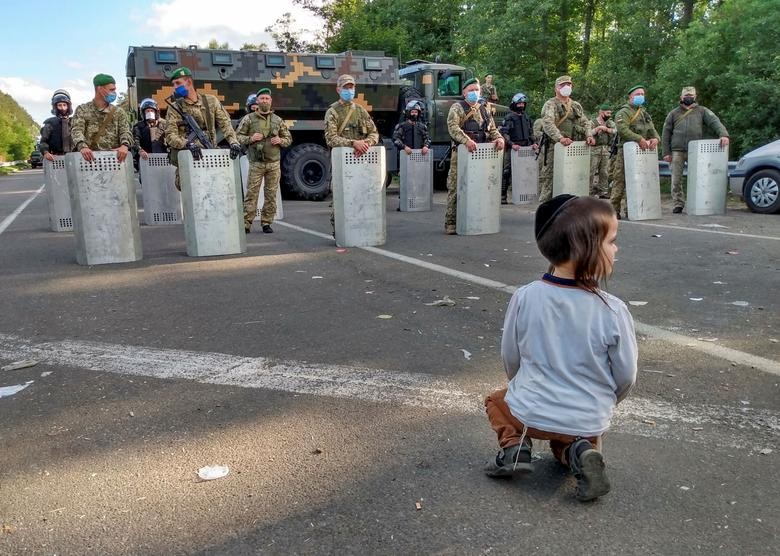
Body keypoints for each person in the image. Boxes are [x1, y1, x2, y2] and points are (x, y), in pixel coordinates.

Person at [483, 194, 637, 502]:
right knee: (577, 436)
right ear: (586, 247)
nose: (616, 248)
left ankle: (514, 445)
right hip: (587, 417)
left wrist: (524, 391)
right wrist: (604, 402)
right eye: (611, 241)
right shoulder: (613, 310)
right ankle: (579, 451)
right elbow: (626, 374)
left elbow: (510, 358)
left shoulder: (525, 297)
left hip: (531, 412)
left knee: (496, 401)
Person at [164, 66, 241, 190]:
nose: (175, 87)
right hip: (190, 160)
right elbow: (170, 135)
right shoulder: (175, 107)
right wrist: (187, 144)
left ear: (189, 82)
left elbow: (226, 124)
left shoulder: (210, 101)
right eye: (173, 84)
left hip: (211, 157)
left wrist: (234, 142)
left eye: (178, 83)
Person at [444, 77, 504, 235]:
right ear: (464, 92)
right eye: (471, 90)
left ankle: (478, 218)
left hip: (481, 156)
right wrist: (466, 140)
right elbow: (452, 127)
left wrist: (499, 138)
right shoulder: (458, 108)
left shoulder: (484, 108)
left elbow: (492, 129)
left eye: (476, 90)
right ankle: (451, 222)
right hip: (462, 154)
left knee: (480, 186)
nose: (474, 93)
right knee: (456, 186)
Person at [324, 74, 380, 235]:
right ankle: (340, 230)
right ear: (338, 89)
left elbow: (374, 133)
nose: (349, 90)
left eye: (351, 87)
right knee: (341, 197)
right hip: (342, 163)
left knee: (361, 195)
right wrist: (353, 143)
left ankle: (360, 229)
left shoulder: (360, 110)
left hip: (361, 162)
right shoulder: (332, 112)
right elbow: (331, 138)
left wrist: (366, 144)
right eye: (346, 87)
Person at [662, 86, 730, 214]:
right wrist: (666, 152)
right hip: (677, 150)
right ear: (681, 97)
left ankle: (696, 201)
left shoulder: (702, 111)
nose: (689, 98)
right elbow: (666, 133)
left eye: (691, 96)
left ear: (695, 97)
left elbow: (715, 121)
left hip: (696, 151)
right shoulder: (673, 113)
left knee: (697, 178)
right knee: (676, 179)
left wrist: (723, 134)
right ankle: (678, 203)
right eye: (686, 96)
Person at [236, 88, 292, 234]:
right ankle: (246, 224)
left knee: (271, 194)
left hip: (273, 163)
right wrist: (250, 139)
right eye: (262, 99)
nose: (265, 101)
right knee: (251, 194)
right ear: (257, 101)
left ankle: (267, 223)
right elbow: (237, 137)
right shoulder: (248, 119)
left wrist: (280, 140)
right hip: (256, 163)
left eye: (267, 99)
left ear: (271, 101)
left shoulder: (278, 120)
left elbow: (288, 139)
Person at [537, 76, 595, 203]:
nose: (566, 87)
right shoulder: (551, 104)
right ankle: (545, 212)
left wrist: (589, 135)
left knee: (571, 179)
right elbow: (548, 123)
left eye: (569, 84)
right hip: (554, 147)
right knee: (550, 179)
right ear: (556, 88)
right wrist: (560, 138)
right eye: (563, 85)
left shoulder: (575, 105)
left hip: (572, 149)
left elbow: (585, 122)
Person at [610, 85, 660, 218]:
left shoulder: (643, 113)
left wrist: (656, 138)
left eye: (642, 94)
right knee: (620, 180)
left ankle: (631, 208)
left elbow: (651, 128)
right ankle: (614, 210)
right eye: (638, 94)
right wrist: (639, 139)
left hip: (641, 151)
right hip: (625, 150)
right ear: (630, 96)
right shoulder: (624, 112)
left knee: (637, 180)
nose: (641, 96)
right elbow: (623, 130)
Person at [71, 74, 133, 163]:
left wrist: (125, 145)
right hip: (89, 161)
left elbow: (125, 131)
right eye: (111, 90)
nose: (114, 93)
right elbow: (76, 130)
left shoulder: (119, 112)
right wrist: (82, 146)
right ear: (100, 89)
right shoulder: (83, 109)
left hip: (113, 161)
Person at [499, 92, 537, 204]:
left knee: (525, 171)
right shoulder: (509, 117)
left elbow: (530, 132)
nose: (521, 105)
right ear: (514, 104)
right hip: (513, 148)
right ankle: (503, 196)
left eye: (523, 103)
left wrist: (534, 143)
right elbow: (505, 133)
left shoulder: (526, 117)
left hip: (525, 148)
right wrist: (511, 144)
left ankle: (524, 194)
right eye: (519, 103)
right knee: (507, 172)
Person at [589, 103, 616, 198]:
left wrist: (606, 129)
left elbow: (615, 131)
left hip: (606, 149)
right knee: (591, 171)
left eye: (610, 113)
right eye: (607, 113)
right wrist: (597, 129)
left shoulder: (610, 123)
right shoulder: (592, 122)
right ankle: (589, 191)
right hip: (594, 149)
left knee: (604, 171)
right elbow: (588, 133)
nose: (609, 115)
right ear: (601, 112)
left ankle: (603, 191)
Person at [132, 98, 167, 170]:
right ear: (143, 113)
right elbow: (135, 140)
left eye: (152, 110)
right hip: (146, 160)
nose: (150, 112)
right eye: (147, 111)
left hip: (163, 159)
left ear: (156, 112)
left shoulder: (164, 124)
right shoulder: (139, 126)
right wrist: (140, 150)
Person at [39, 89, 74, 161]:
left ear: (68, 106)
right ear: (55, 107)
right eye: (59, 105)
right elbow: (43, 142)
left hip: (74, 157)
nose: (63, 108)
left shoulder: (75, 122)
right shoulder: (50, 123)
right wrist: (46, 152)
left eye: (64, 105)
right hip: (56, 158)